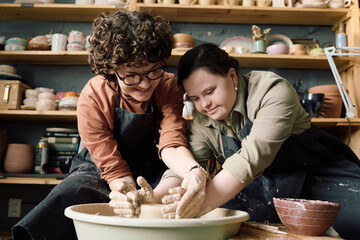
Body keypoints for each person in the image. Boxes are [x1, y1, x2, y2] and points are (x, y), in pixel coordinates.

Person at [12, 11, 206, 240]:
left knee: (170, 197)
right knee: (72, 193)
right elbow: (114, 168)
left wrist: (194, 172)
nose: (145, 84)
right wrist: (126, 193)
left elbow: (172, 142)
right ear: (112, 71)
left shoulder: (166, 85)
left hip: (152, 166)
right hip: (100, 169)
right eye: (132, 75)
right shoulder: (94, 94)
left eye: (153, 70)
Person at [167, 43, 360, 239]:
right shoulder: (203, 120)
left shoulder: (272, 91)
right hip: (259, 185)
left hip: (317, 173)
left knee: (356, 220)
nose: (204, 104)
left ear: (232, 75)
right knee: (219, 229)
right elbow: (188, 166)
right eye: (195, 98)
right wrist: (159, 197)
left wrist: (192, 208)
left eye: (209, 92)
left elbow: (250, 159)